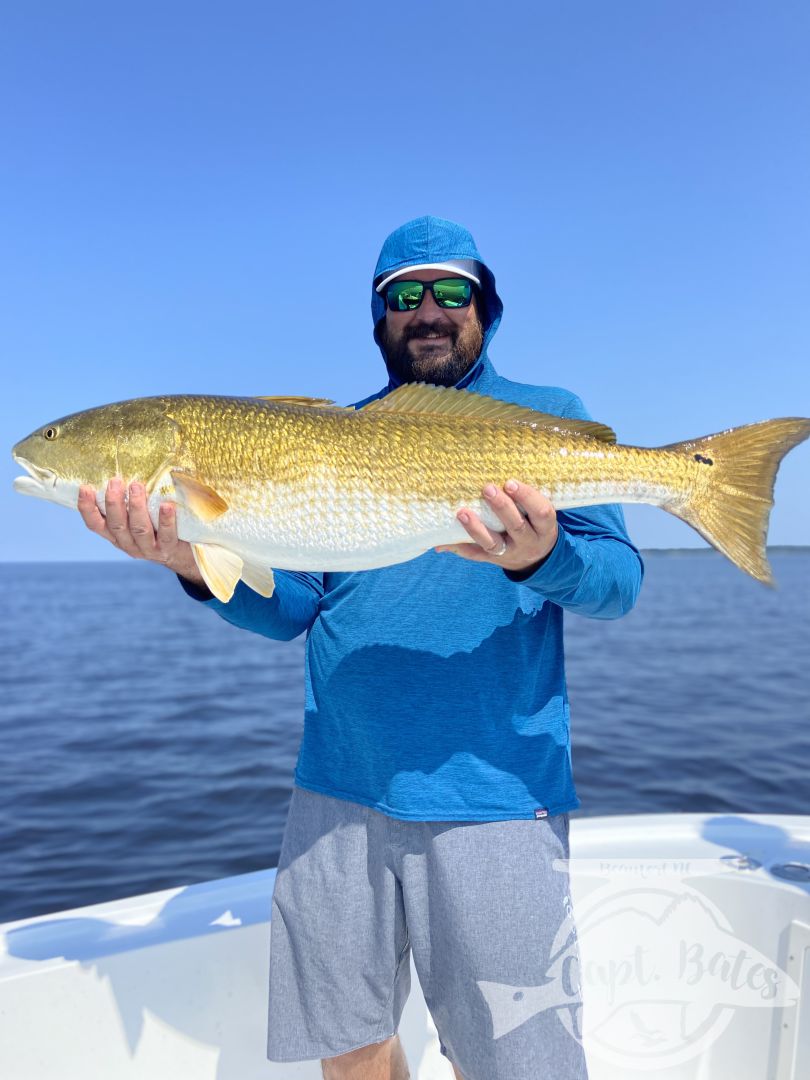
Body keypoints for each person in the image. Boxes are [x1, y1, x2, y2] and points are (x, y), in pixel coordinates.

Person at [78, 216, 644, 1080]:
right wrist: (193, 564)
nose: (427, 311)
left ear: (484, 308)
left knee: (518, 1063)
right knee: (350, 1054)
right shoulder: (324, 439)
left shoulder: (549, 419)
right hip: (336, 790)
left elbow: (617, 583)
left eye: (449, 292)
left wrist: (543, 556)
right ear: (378, 318)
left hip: (493, 789)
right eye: (402, 296)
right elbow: (290, 609)